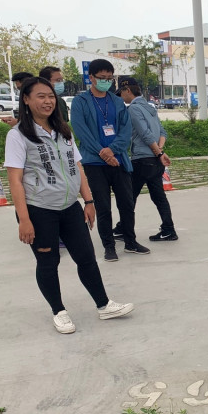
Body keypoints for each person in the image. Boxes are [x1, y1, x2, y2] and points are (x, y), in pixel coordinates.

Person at [4, 77, 134, 334]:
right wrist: (24, 219)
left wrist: (88, 200)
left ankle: (104, 305)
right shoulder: (18, 136)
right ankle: (58, 311)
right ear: (26, 100)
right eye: (40, 96)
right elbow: (15, 181)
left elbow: (77, 167)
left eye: (50, 96)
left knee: (86, 257)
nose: (47, 101)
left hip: (70, 207)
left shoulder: (63, 131)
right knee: (48, 262)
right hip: (39, 210)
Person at [70, 59, 150, 262]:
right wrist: (102, 152)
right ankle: (109, 246)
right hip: (94, 163)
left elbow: (125, 131)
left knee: (127, 203)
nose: (106, 82)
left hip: (119, 160)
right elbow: (81, 131)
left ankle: (130, 242)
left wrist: (113, 151)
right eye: (102, 78)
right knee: (103, 205)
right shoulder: (81, 102)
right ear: (91, 78)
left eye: (109, 78)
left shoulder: (116, 102)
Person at [114, 77, 177, 242]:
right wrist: (160, 152)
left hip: (142, 160)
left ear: (127, 91)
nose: (121, 97)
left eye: (121, 93)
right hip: (154, 162)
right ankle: (169, 229)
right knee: (158, 196)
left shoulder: (133, 109)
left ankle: (123, 229)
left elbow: (144, 134)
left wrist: (158, 153)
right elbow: (163, 132)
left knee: (129, 197)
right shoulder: (150, 107)